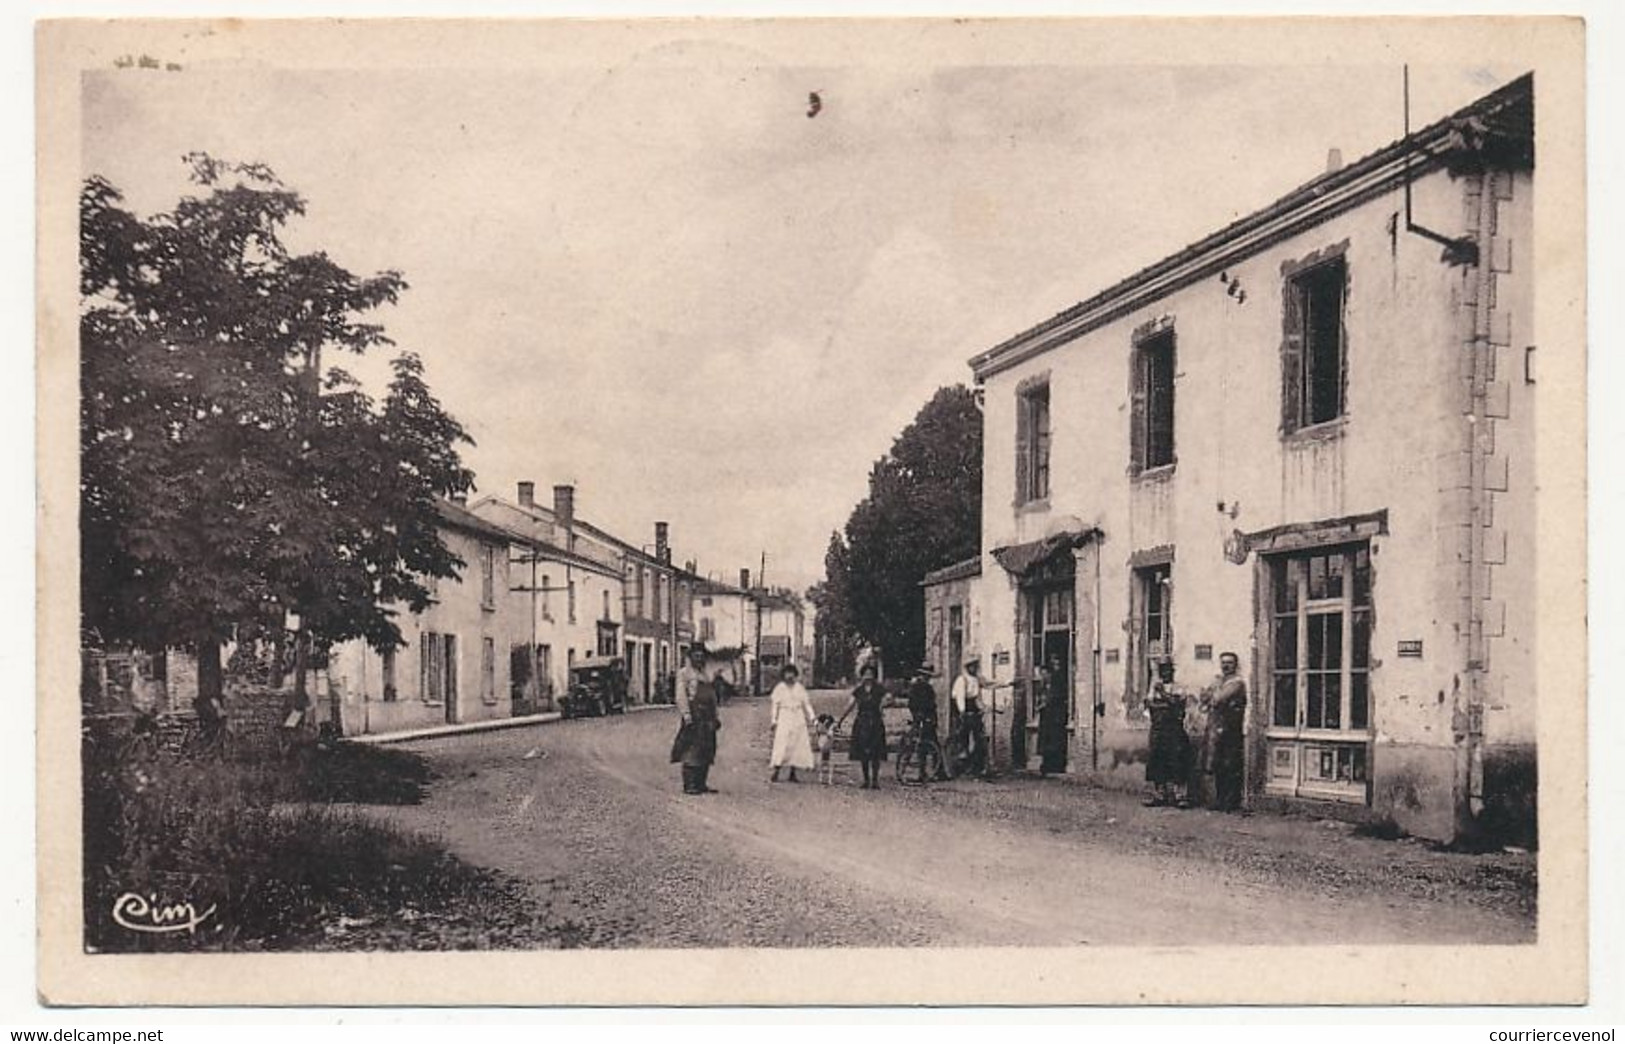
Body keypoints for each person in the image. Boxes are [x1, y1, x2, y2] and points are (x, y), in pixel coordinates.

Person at [672, 644, 722, 795]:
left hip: (707, 717)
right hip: (694, 715)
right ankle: (689, 784)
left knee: (706, 748)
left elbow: (712, 697)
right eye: (696, 655)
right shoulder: (684, 674)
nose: (699, 658)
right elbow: (681, 695)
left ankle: (701, 783)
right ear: (690, 656)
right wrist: (686, 715)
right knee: (691, 749)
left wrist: (715, 716)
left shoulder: (706, 675)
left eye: (701, 655)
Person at [1144, 659, 1191, 807]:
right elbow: (1149, 705)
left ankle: (1180, 796)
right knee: (1157, 761)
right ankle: (1160, 794)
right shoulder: (1154, 688)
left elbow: (1177, 705)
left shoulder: (1178, 687)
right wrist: (1164, 704)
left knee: (1177, 761)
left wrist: (1163, 696)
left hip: (1174, 729)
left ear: (1173, 672)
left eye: (1168, 670)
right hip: (1158, 729)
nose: (1166, 673)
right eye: (1163, 670)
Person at [1207, 652, 1248, 811]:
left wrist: (1214, 693)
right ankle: (1220, 799)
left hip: (1232, 729)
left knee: (1231, 765)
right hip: (1218, 728)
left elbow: (1218, 699)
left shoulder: (1237, 683)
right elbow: (1205, 697)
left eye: (1229, 663)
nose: (1225, 666)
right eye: (1223, 662)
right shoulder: (1220, 681)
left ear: (1235, 665)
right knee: (1218, 765)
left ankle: (1231, 801)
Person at [837, 663, 889, 789]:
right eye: (866, 674)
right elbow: (850, 705)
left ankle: (875, 780)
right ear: (862, 676)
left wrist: (884, 705)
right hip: (862, 722)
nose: (868, 677)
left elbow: (888, 699)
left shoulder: (879, 689)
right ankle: (866, 780)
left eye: (870, 674)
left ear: (874, 676)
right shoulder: (859, 691)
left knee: (875, 752)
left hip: (875, 721)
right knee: (863, 752)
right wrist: (840, 720)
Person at [768, 664, 816, 783]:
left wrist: (813, 718)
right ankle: (777, 771)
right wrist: (774, 720)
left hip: (798, 717)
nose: (789, 676)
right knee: (782, 744)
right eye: (787, 673)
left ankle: (792, 773)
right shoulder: (779, 688)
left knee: (797, 744)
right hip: (784, 716)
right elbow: (775, 705)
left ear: (795, 675)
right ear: (783, 675)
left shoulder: (799, 688)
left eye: (792, 673)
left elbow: (806, 704)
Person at [950, 654, 988, 779]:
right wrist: (963, 712)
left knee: (979, 739)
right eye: (971, 666)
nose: (974, 668)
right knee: (963, 739)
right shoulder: (962, 680)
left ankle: (976, 767)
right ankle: (960, 767)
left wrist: (982, 708)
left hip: (974, 712)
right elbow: (960, 698)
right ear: (967, 667)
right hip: (964, 712)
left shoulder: (975, 680)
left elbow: (977, 698)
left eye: (975, 666)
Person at [905, 666, 946, 780]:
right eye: (923, 676)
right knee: (919, 745)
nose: (924, 678)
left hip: (928, 720)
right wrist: (916, 715)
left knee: (933, 746)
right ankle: (921, 772)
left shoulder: (929, 689)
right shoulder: (915, 688)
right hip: (919, 719)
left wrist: (932, 719)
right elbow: (911, 704)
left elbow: (933, 705)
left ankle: (938, 771)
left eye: (927, 676)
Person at [1036, 653, 1070, 776]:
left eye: (1045, 674)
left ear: (1049, 674)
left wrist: (1046, 704)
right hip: (1045, 718)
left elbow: (1057, 699)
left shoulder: (1056, 685)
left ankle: (1055, 766)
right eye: (1042, 674)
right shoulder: (1042, 687)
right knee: (1046, 742)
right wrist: (1040, 705)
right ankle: (1046, 765)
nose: (1043, 676)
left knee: (1054, 742)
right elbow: (1040, 698)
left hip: (1055, 718)